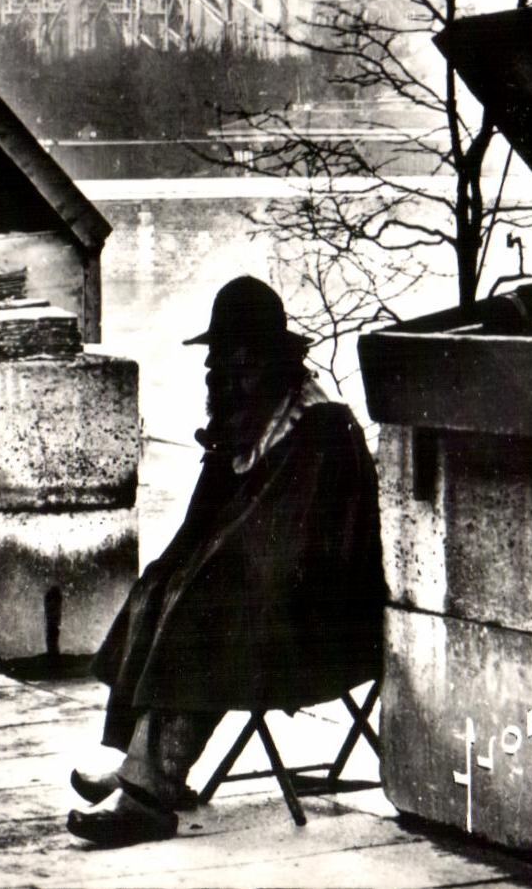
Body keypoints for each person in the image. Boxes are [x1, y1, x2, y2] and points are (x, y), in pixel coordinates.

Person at [67, 275, 385, 849]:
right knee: (161, 582)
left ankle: (149, 794)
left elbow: (286, 548)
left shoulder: (318, 430)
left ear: (275, 363)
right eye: (218, 367)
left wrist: (205, 572)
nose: (224, 381)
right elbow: (202, 533)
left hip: (323, 622)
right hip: (267, 602)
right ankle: (141, 764)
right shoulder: (246, 430)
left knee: (205, 603)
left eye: (240, 366)